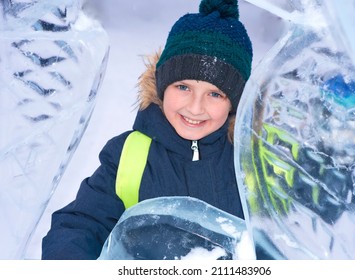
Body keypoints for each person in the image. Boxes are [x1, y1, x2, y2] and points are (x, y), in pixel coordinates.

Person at [42, 0, 253, 260]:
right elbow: (83, 223)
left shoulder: (253, 162)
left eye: (215, 94)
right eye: (183, 87)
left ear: (236, 103)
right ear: (162, 86)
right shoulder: (130, 155)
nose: (196, 108)